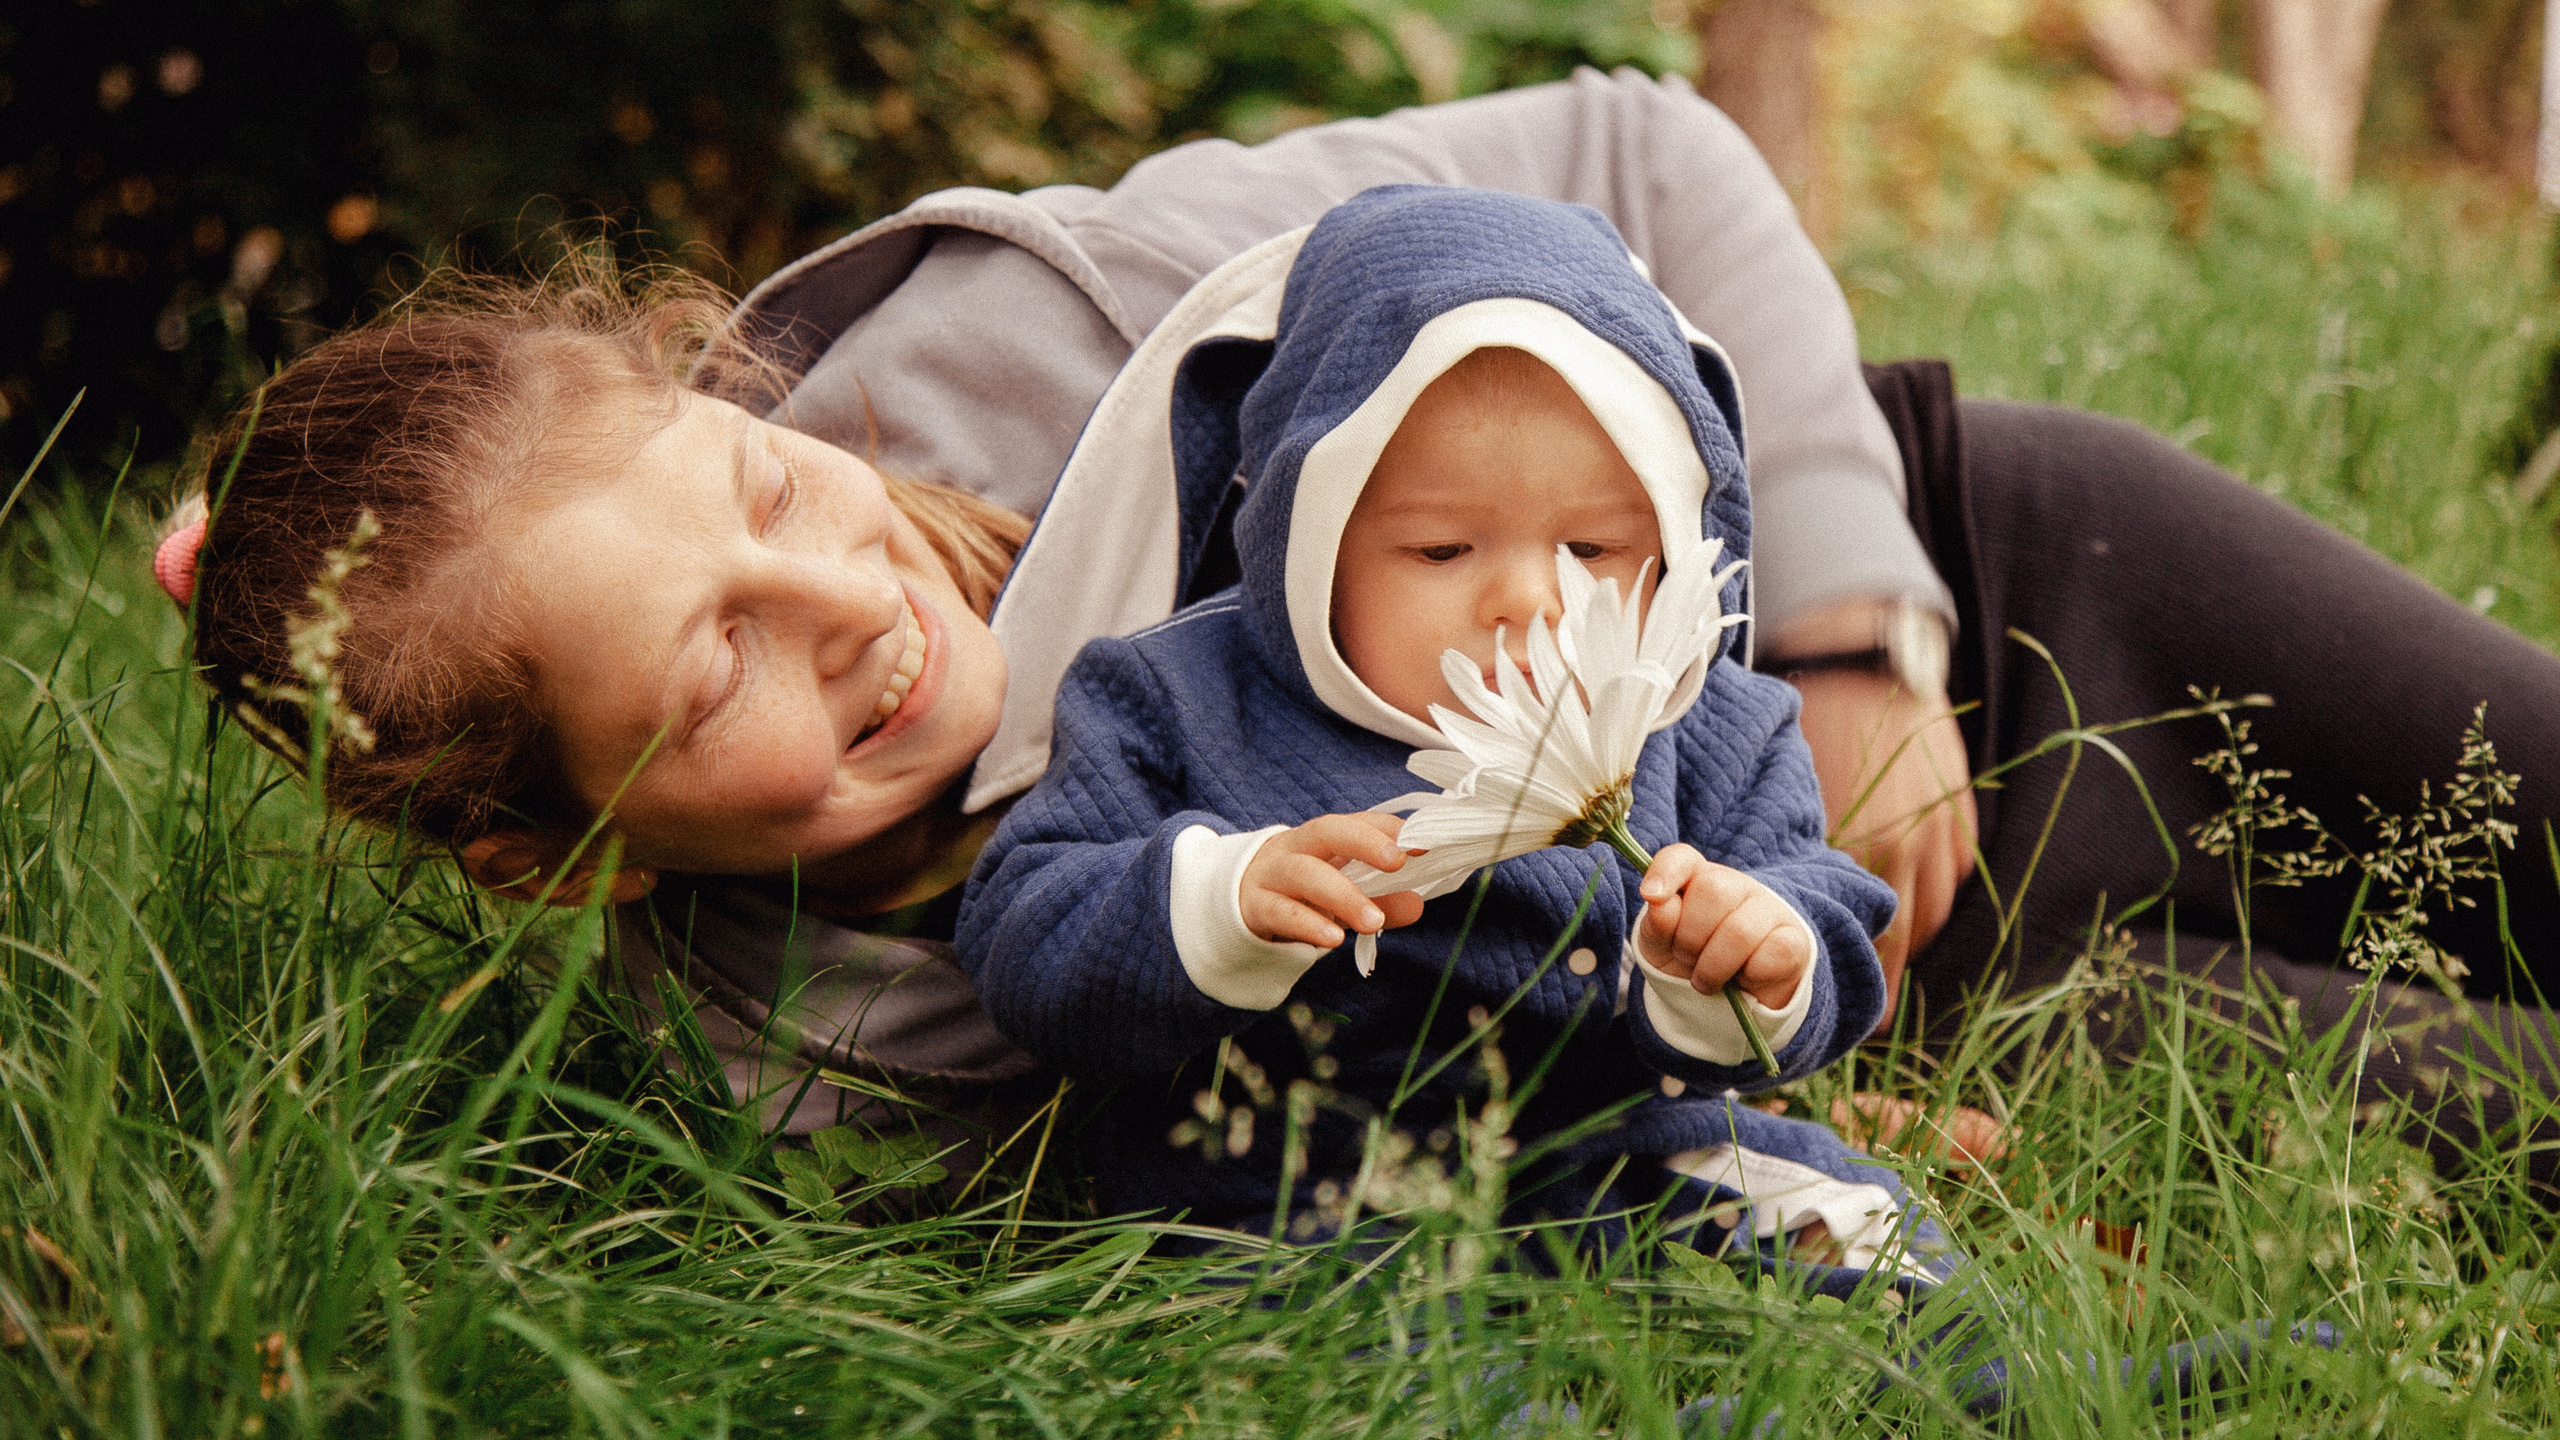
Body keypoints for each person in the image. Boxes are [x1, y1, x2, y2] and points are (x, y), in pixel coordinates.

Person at [159, 69, 2560, 1182]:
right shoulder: (823, 1070)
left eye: (771, 489)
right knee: (2489, 1126)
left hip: (2006, 609)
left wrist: (1842, 624)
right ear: (558, 852)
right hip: (1836, 980)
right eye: (709, 674)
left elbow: (1639, 150)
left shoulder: (1041, 322)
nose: (853, 600)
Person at [958, 184, 1922, 1255]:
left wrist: (1761, 954)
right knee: (1345, 1360)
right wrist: (1216, 900)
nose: (1531, 599)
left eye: (1594, 549)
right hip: (1300, 1187)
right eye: (1440, 550)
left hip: (1633, 1151)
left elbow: (1824, 912)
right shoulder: (1174, 698)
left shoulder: (1713, 724)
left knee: (1856, 1238)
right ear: (1303, 544)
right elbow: (1022, 930)